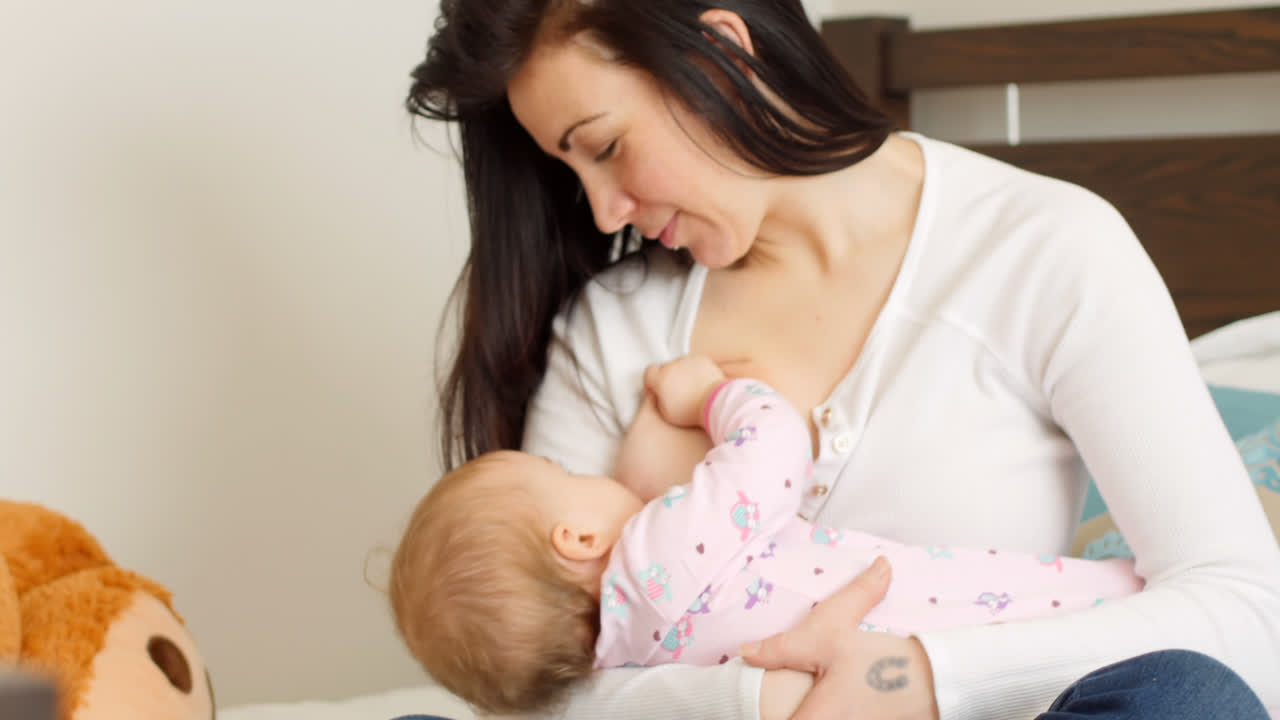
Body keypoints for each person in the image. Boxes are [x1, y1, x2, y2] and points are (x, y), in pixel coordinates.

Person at [407, 0, 1280, 718]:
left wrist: (914, 680)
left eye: (603, 147)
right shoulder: (613, 327)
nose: (602, 213)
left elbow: (1243, 611)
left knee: (1189, 697)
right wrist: (769, 698)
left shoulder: (1042, 252)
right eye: (571, 170)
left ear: (720, 54)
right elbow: (539, 694)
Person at [388, 356, 1144, 714]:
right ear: (577, 539)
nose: (582, 470)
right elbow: (775, 448)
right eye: (557, 469)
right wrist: (715, 396)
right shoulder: (661, 550)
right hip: (963, 624)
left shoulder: (628, 667)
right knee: (1098, 608)